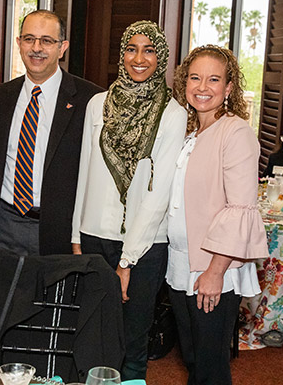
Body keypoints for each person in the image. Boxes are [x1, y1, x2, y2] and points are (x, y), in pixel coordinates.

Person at [71, 21, 187, 380]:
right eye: (131, 49)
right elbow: (84, 173)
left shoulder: (172, 113)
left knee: (133, 345)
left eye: (149, 50)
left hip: (144, 246)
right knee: (92, 335)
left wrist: (127, 261)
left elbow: (158, 194)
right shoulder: (97, 105)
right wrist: (76, 235)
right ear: (121, 55)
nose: (140, 58)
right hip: (93, 236)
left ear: (162, 57)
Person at [167, 45, 268, 384]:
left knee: (210, 366)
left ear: (228, 88)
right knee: (194, 359)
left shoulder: (235, 132)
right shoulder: (188, 132)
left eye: (214, 79)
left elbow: (239, 209)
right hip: (180, 264)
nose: (202, 87)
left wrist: (215, 270)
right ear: (184, 83)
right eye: (195, 78)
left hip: (213, 269)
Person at [0, 9, 103, 266]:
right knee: (1, 304)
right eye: (29, 39)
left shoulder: (90, 99)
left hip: (58, 232)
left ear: (62, 47)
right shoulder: (1, 96)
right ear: (19, 43)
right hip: (3, 225)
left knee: (48, 306)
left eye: (47, 41)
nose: (36, 48)